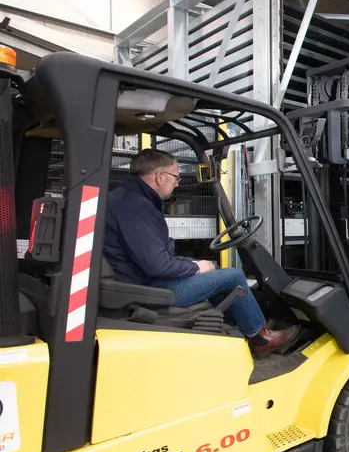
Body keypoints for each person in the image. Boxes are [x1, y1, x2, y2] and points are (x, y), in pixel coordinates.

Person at [103, 148, 300, 356]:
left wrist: (196, 265)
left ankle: (240, 324)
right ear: (160, 177)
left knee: (213, 269)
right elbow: (157, 265)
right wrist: (195, 267)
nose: (177, 183)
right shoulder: (136, 207)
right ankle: (260, 338)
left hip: (137, 281)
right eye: (175, 177)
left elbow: (155, 257)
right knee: (233, 276)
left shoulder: (124, 199)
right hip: (149, 289)